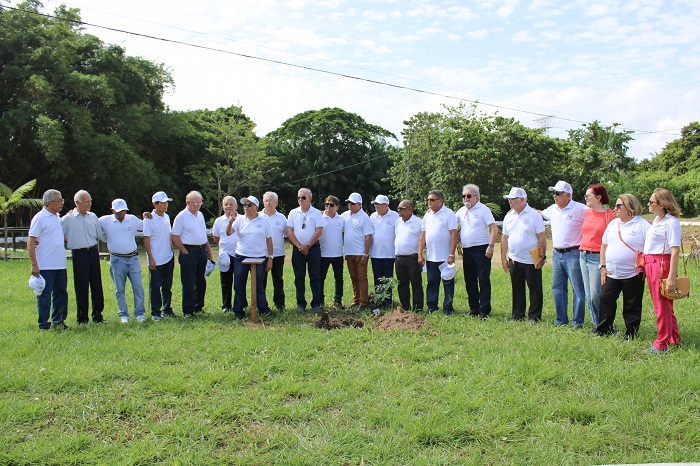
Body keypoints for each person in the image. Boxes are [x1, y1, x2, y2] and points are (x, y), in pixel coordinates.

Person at [595, 194, 649, 338]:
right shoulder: (613, 224)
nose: (615, 209)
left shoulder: (642, 225)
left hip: (633, 273)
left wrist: (646, 268)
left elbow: (650, 249)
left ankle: (631, 333)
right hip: (611, 272)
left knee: (632, 305)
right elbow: (604, 246)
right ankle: (603, 330)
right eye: (615, 206)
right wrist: (603, 266)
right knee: (606, 300)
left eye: (619, 206)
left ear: (630, 206)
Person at [541, 180, 587, 328]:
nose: (555, 196)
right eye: (554, 193)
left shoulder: (580, 209)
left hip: (573, 252)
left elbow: (595, 216)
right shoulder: (553, 209)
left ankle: (577, 321)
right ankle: (561, 320)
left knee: (577, 288)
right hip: (557, 253)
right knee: (557, 287)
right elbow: (540, 213)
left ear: (568, 195)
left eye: (558, 193)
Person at [644, 188, 683, 354]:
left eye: (652, 202)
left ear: (662, 204)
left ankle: (662, 342)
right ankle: (673, 338)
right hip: (651, 263)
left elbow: (675, 250)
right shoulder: (657, 221)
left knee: (662, 305)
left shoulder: (671, 222)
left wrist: (672, 277)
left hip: (661, 265)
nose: (649, 204)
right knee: (663, 304)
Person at [501, 187, 547, 322]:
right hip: (514, 258)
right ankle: (517, 315)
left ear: (522, 199)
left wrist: (542, 256)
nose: (510, 202)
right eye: (509, 199)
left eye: (512, 199)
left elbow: (542, 237)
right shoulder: (509, 216)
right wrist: (503, 258)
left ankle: (534, 316)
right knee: (517, 288)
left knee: (535, 289)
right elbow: (504, 238)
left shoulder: (534, 215)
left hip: (531, 259)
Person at [61, 190, 107, 324]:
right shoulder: (67, 219)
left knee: (96, 284)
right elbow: (57, 233)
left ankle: (98, 315)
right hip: (79, 254)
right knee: (81, 286)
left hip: (93, 252)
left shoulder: (92, 216)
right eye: (87, 202)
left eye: (90, 201)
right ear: (77, 203)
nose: (90, 204)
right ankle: (82, 318)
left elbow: (101, 235)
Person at [455, 184, 498, 319]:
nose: (465, 199)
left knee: (483, 279)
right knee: (470, 280)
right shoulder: (461, 211)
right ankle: (474, 308)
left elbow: (494, 228)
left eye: (468, 196)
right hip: (467, 250)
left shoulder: (483, 210)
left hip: (482, 249)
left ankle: (484, 309)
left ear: (476, 198)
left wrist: (490, 246)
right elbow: (451, 223)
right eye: (464, 196)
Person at [99, 199, 146, 323]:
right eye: (120, 211)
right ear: (113, 210)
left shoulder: (132, 219)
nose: (122, 213)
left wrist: (146, 216)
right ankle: (123, 314)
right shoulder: (104, 221)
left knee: (138, 287)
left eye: (124, 210)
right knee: (119, 288)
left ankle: (139, 313)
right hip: (117, 259)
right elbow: (91, 224)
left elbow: (144, 225)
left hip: (133, 258)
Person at [28, 189, 69, 330]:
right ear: (48, 202)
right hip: (45, 265)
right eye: (58, 201)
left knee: (61, 293)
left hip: (60, 264)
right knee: (44, 296)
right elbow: (31, 241)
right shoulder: (40, 218)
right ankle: (44, 324)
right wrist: (34, 265)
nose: (61, 203)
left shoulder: (57, 217)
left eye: (62, 200)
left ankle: (59, 321)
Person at [228, 196, 273, 320]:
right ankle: (238, 311)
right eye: (244, 205)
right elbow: (228, 233)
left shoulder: (264, 221)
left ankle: (263, 309)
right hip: (241, 256)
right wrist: (230, 222)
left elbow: (269, 240)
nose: (246, 207)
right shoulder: (239, 220)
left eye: (249, 205)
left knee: (259, 284)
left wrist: (270, 258)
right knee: (238, 284)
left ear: (256, 207)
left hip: (259, 256)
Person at [171, 191, 213, 318]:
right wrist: (184, 251)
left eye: (200, 202)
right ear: (188, 202)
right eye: (195, 202)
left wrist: (209, 251)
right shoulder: (181, 217)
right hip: (189, 251)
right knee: (189, 281)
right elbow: (175, 235)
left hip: (201, 251)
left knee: (201, 280)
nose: (198, 205)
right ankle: (188, 310)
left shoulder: (199, 215)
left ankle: (198, 305)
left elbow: (203, 234)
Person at [418, 189, 458, 315]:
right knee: (432, 284)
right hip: (431, 257)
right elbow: (423, 235)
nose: (429, 202)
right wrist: (420, 253)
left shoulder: (448, 214)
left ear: (440, 201)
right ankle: (432, 308)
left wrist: (451, 254)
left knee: (448, 283)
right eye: (428, 200)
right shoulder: (427, 215)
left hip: (446, 257)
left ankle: (447, 309)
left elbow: (454, 234)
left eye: (432, 200)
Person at [579, 184, 613, 328]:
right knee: (588, 295)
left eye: (589, 195)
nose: (585, 198)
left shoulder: (610, 214)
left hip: (598, 257)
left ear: (598, 197)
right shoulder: (586, 213)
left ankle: (606, 324)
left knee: (595, 294)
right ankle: (597, 324)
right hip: (583, 255)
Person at [286, 188, 324, 313]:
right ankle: (300, 303)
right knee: (299, 277)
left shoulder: (317, 213)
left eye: (303, 197)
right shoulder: (293, 213)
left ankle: (316, 303)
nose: (300, 200)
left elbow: (319, 231)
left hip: (313, 249)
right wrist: (299, 246)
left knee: (315, 277)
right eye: (298, 198)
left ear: (310, 198)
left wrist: (307, 245)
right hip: (298, 250)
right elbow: (289, 231)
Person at [143, 191, 176, 320]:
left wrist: (172, 251)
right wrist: (150, 258)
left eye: (166, 202)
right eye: (162, 203)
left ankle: (167, 309)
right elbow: (146, 239)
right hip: (156, 259)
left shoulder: (166, 217)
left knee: (167, 286)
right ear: (155, 204)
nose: (165, 205)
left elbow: (169, 235)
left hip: (168, 257)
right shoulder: (148, 219)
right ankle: (155, 312)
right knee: (155, 286)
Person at [342, 192, 373, 310]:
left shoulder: (364, 217)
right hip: (349, 253)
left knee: (362, 278)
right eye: (348, 202)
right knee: (353, 277)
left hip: (360, 253)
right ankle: (356, 299)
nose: (349, 205)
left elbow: (368, 237)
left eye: (352, 203)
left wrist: (366, 253)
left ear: (359, 204)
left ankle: (364, 302)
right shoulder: (345, 215)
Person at [369, 194, 399, 310]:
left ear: (386, 205)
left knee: (388, 279)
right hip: (375, 253)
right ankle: (378, 300)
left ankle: (387, 301)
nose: (376, 206)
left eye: (379, 204)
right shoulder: (372, 217)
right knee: (377, 279)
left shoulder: (395, 216)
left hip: (389, 253)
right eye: (375, 204)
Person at [394, 199, 423, 312]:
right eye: (398, 208)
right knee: (402, 283)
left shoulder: (418, 222)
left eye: (401, 208)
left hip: (413, 257)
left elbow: (423, 239)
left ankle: (418, 307)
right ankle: (405, 306)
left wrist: (421, 255)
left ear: (409, 209)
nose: (399, 210)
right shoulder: (398, 222)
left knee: (416, 283)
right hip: (399, 258)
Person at [261, 192, 287, 310]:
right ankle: (262, 304)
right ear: (263, 202)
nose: (268, 203)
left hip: (278, 254)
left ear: (276, 203)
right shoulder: (258, 217)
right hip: (262, 254)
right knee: (261, 281)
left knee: (278, 279)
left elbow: (287, 235)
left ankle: (279, 304)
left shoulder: (282, 218)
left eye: (271, 200)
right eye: (266, 200)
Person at [212, 196, 238, 314]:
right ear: (222, 207)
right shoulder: (219, 221)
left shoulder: (242, 219)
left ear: (236, 206)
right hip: (225, 256)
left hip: (239, 254)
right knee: (226, 282)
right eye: (226, 204)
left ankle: (242, 304)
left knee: (239, 282)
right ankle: (226, 305)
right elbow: (216, 237)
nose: (228, 206)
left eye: (231, 204)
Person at [319, 195, 344, 309]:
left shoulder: (341, 219)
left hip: (338, 253)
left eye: (331, 205)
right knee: (320, 278)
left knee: (339, 278)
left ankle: (337, 300)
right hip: (323, 254)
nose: (328, 207)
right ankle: (320, 301)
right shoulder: (319, 217)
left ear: (337, 207)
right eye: (327, 204)